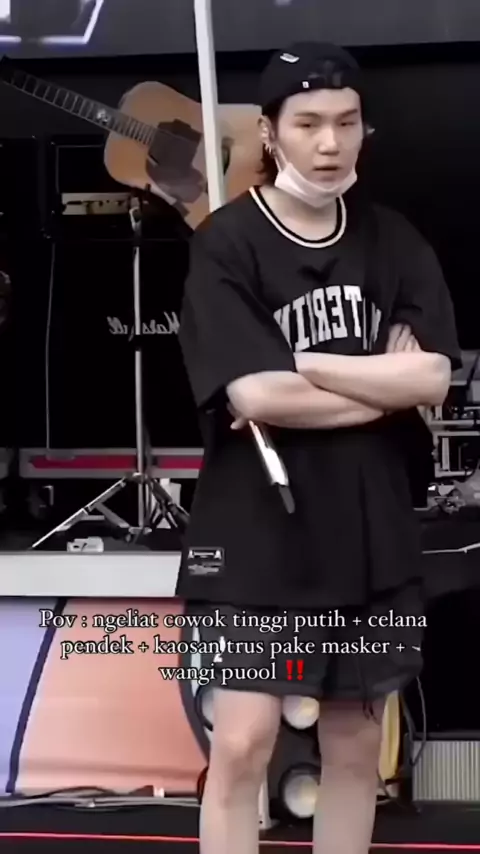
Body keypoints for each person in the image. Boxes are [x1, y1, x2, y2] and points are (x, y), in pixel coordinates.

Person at [177, 42, 461, 854]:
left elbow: (432, 377)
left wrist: (300, 364)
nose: (330, 144)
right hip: (254, 535)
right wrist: (379, 382)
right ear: (270, 133)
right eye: (307, 124)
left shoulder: (394, 241)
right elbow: (253, 397)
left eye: (346, 122)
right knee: (241, 744)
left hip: (368, 532)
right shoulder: (228, 242)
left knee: (353, 748)